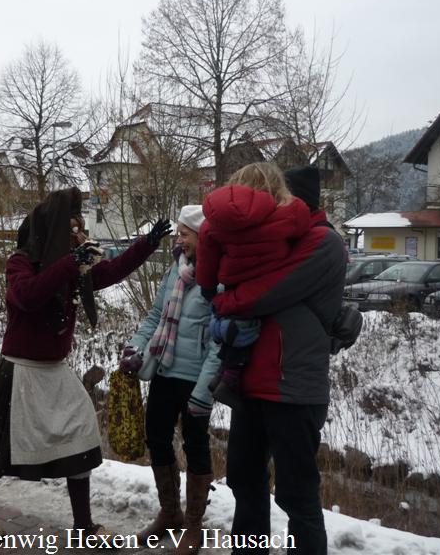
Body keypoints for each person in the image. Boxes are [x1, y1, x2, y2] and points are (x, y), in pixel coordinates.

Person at [0, 187, 172, 538]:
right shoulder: (20, 263)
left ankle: (83, 526)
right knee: (0, 447)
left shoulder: (74, 268)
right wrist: (72, 262)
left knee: (80, 433)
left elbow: (111, 271)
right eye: (72, 228)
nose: (79, 234)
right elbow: (28, 296)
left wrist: (147, 243)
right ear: (52, 231)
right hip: (21, 371)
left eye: (80, 227)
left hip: (55, 369)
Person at [212, 165, 347, 555]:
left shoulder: (323, 241)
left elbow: (266, 292)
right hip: (253, 387)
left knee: (297, 495)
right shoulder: (275, 241)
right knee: (244, 482)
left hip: (293, 390)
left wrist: (221, 301)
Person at [118, 205, 220, 555]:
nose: (178, 239)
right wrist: (135, 346)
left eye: (184, 233)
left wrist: (205, 391)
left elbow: (219, 342)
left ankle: (193, 525)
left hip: (195, 378)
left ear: (203, 236)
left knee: (196, 445)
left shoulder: (218, 277)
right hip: (165, 368)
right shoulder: (176, 270)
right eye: (178, 232)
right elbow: (155, 316)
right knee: (157, 437)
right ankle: (170, 513)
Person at [196, 162, 311, 409]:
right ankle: (230, 379)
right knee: (247, 329)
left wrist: (207, 287)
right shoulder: (290, 212)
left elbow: (206, 256)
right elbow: (304, 226)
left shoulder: (216, 221)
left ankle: (224, 373)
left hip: (232, 284)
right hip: (267, 283)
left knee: (235, 328)